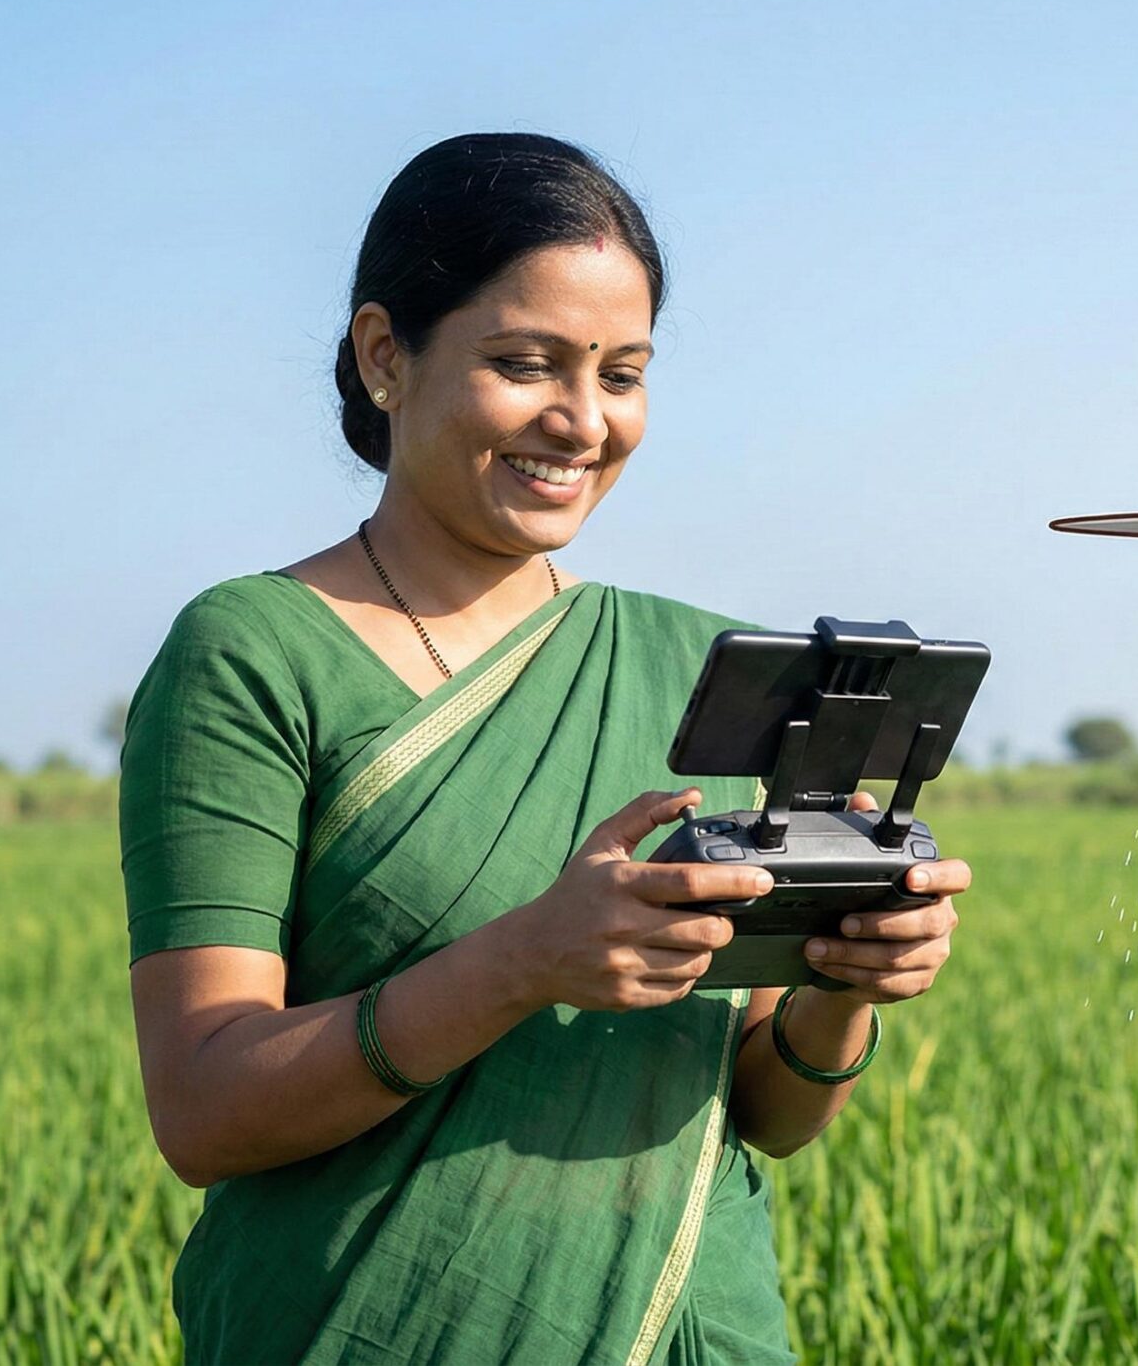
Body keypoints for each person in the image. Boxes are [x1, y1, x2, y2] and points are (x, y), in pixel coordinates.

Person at [120, 132, 970, 1364]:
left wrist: (845, 978)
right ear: (383, 356)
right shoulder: (253, 652)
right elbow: (203, 1107)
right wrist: (525, 960)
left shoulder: (706, 670)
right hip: (352, 1329)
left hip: (687, 1324)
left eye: (622, 374)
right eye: (526, 364)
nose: (581, 421)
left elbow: (772, 1111)